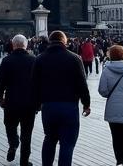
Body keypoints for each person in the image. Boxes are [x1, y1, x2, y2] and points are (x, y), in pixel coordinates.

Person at [31, 31, 91, 166]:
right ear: (65, 42)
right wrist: (86, 104)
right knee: (67, 143)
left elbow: (34, 84)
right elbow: (82, 84)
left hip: (49, 106)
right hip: (69, 107)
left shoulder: (40, 59)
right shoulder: (74, 58)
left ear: (50, 42)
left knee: (49, 139)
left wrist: (36, 105)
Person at [0, 34, 37, 166]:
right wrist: (39, 102)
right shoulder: (33, 60)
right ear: (26, 45)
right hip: (29, 103)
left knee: (10, 125)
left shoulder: (7, 60)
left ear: (13, 45)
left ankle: (13, 144)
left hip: (11, 101)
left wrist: (0, 96)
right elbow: (39, 83)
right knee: (27, 133)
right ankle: (24, 161)